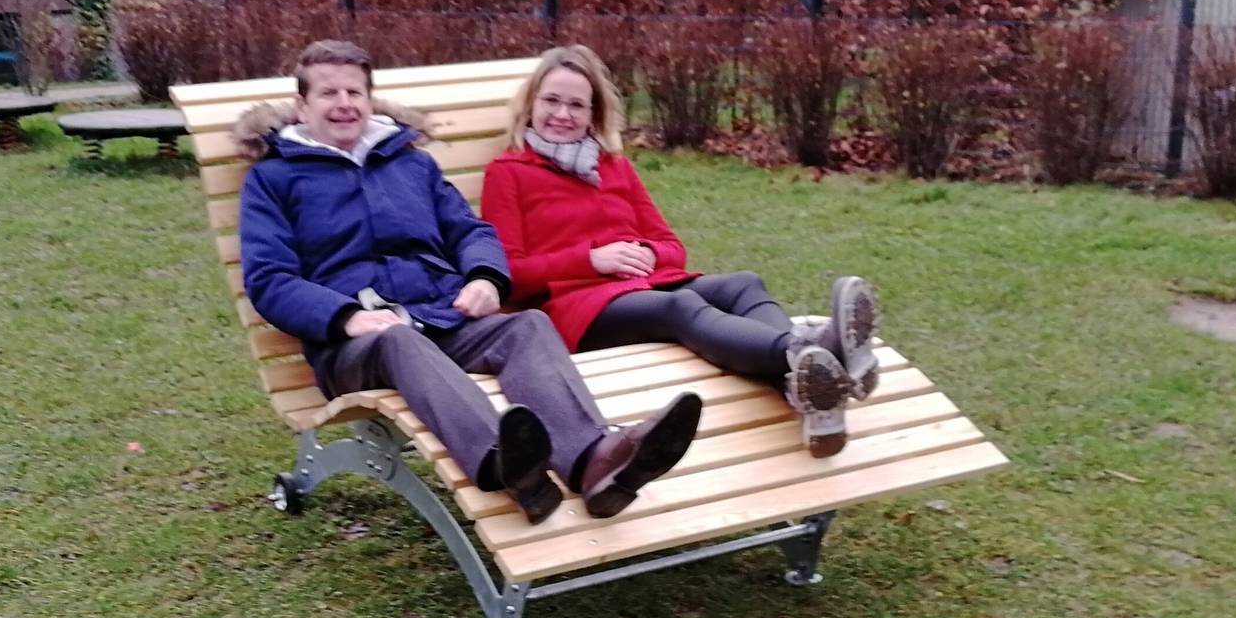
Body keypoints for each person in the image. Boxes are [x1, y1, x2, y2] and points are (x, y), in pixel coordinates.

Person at [236, 40, 702, 525]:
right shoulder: (273, 179)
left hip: (440, 315)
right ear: (302, 105)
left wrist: (484, 277)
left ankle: (595, 463)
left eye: (354, 91)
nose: (344, 103)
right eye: (328, 92)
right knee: (398, 340)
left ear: (370, 100)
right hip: (352, 346)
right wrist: (346, 317)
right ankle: (505, 460)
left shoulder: (410, 163)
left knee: (526, 326)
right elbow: (270, 278)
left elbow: (469, 231)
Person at [481, 45, 881, 458]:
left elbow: (673, 248)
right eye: (551, 100)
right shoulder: (508, 173)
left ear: (593, 115)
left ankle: (806, 391)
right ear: (531, 104)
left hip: (647, 284)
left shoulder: (615, 167)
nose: (562, 115)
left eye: (576, 105)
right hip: (578, 309)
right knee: (680, 307)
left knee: (744, 283)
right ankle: (807, 351)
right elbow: (509, 275)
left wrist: (651, 254)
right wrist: (591, 259)